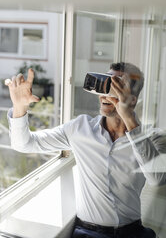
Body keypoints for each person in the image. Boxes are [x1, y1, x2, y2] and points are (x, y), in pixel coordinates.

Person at [5, 62, 165, 238]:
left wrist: (130, 120)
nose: (106, 91)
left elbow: (157, 179)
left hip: (134, 233)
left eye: (116, 85)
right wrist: (20, 108)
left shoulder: (154, 137)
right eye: (105, 83)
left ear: (133, 99)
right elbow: (25, 144)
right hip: (89, 233)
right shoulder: (80, 128)